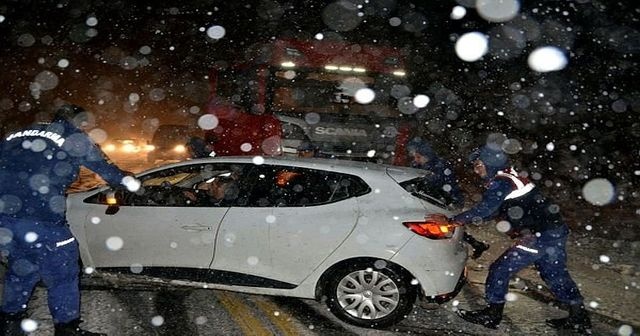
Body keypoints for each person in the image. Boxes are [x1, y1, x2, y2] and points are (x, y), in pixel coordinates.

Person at [0, 104, 138, 336]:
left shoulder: (17, 133)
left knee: (22, 265)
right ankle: (67, 328)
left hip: (5, 217)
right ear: (80, 122)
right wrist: (129, 183)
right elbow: (105, 169)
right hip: (41, 218)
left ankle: (9, 321)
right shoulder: (74, 137)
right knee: (63, 271)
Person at [442, 145, 591, 333]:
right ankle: (579, 317)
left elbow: (486, 208)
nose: (475, 169)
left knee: (500, 269)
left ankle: (492, 315)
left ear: (490, 163)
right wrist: (469, 219)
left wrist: (453, 221)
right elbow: (494, 210)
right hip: (553, 231)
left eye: (478, 164)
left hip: (538, 236)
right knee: (554, 274)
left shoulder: (502, 182)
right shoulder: (507, 178)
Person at [407, 138, 489, 259]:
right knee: (447, 224)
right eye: (414, 157)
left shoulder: (439, 166)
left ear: (426, 156)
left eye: (418, 157)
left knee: (446, 223)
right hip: (438, 199)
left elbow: (432, 184)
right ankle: (476, 244)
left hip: (449, 199)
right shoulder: (420, 165)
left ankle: (469, 245)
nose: (415, 160)